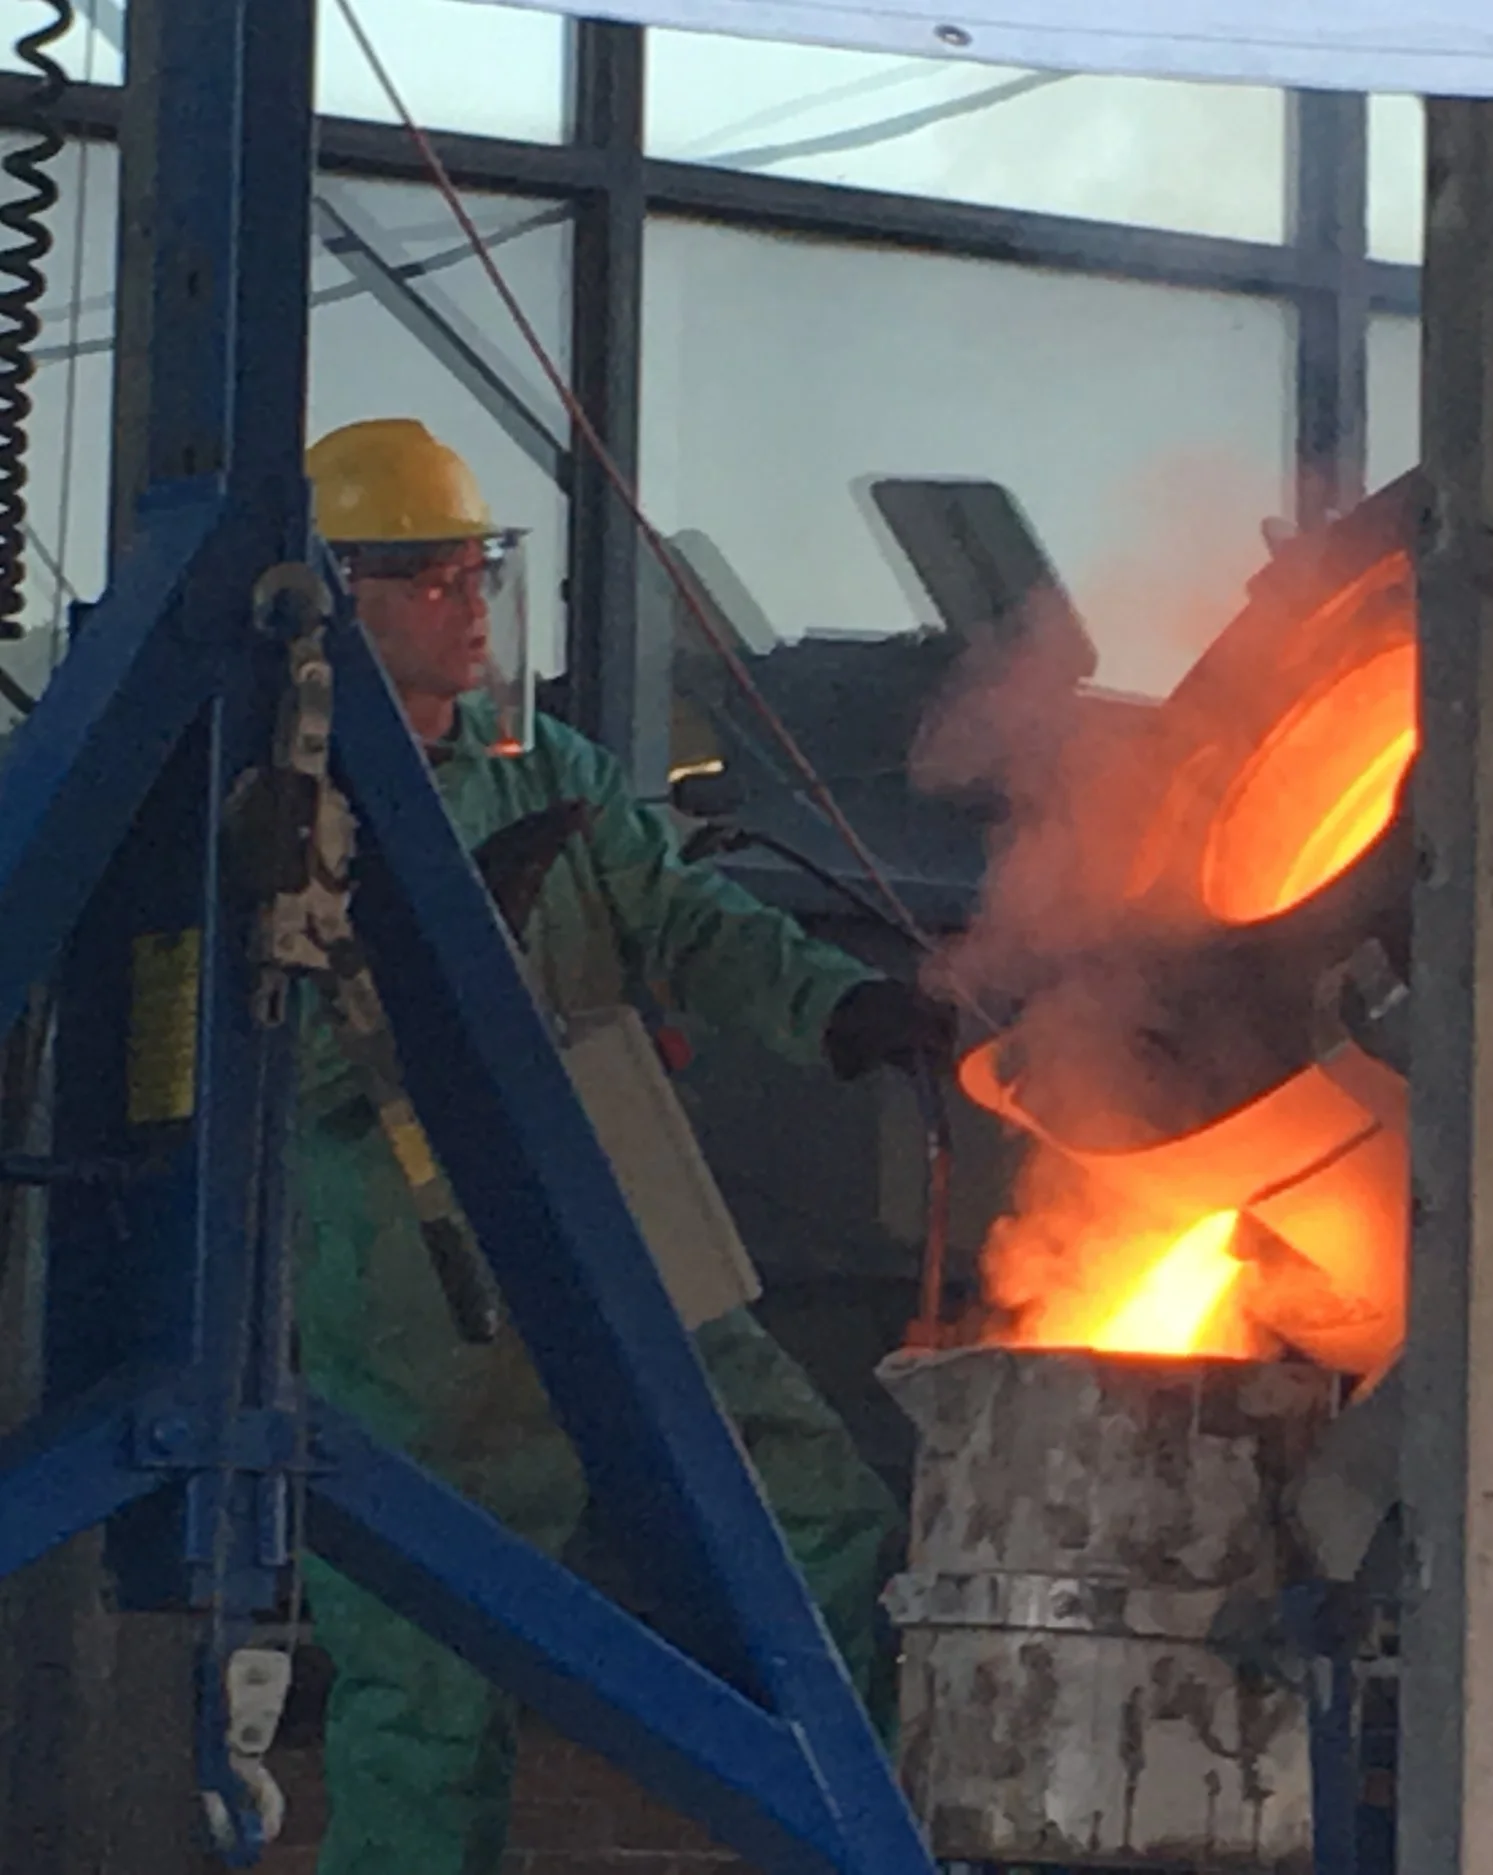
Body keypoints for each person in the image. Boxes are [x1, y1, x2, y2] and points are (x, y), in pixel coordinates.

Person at [290, 417, 951, 1875]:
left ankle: (884, 1837)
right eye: (431, 578)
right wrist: (430, 951)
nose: (470, 605)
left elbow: (686, 914)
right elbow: (274, 1052)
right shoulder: (287, 813)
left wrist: (842, 1006)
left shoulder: (548, 773)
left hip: (607, 1211)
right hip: (414, 1273)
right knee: (431, 1661)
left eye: (477, 572)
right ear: (341, 601)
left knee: (822, 1523)